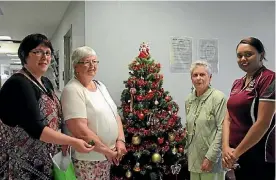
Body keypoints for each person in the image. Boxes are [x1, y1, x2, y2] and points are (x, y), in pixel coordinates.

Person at [0, 34, 94, 180]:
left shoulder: (45, 82)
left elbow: (55, 115)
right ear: (24, 55)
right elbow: (37, 129)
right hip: (22, 165)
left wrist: (63, 139)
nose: (44, 57)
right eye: (37, 52)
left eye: (48, 53)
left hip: (45, 161)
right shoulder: (18, 84)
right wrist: (72, 141)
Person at [61, 46, 127, 180]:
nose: (92, 65)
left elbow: (115, 115)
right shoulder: (72, 90)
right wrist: (107, 151)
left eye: (95, 61)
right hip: (88, 159)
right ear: (76, 66)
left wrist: (120, 141)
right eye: (86, 62)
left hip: (107, 156)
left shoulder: (100, 86)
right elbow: (80, 130)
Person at [222, 37, 275, 180]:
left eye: (248, 54)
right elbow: (227, 118)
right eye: (239, 56)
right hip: (236, 155)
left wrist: (235, 154)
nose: (243, 59)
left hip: (258, 156)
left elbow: (263, 123)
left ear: (261, 55)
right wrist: (225, 148)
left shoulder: (269, 79)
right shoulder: (237, 83)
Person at [184, 60, 227, 180]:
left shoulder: (218, 98)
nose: (198, 78)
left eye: (202, 75)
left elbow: (222, 129)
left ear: (210, 77)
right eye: (195, 75)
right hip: (193, 158)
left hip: (212, 158)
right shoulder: (189, 100)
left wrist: (211, 157)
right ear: (191, 78)